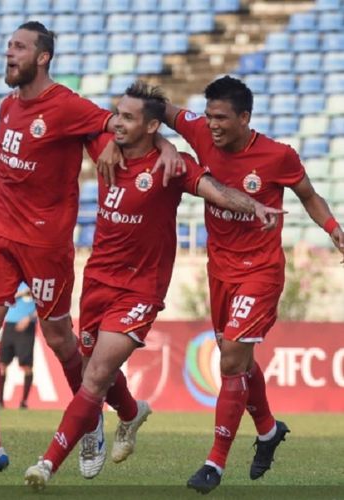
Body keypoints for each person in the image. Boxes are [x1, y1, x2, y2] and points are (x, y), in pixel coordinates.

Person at [0, 20, 185, 482]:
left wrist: (166, 144)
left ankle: (94, 418)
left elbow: (125, 132)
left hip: (44, 243)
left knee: (59, 338)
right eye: (8, 46)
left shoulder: (68, 105)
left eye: (19, 47)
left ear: (42, 57)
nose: (9, 53)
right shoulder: (7, 106)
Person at [23, 80, 285, 490]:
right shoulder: (102, 148)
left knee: (95, 375)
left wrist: (253, 205)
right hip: (97, 280)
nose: (117, 123)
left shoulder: (173, 165)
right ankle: (129, 414)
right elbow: (75, 122)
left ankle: (48, 462)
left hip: (140, 290)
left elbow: (215, 191)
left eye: (127, 118)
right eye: (117, 115)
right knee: (94, 365)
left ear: (150, 126)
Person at [161, 75, 344, 493]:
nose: (212, 125)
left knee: (229, 360)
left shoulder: (278, 156)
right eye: (208, 117)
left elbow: (309, 195)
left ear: (245, 117)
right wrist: (167, 143)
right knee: (239, 360)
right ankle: (267, 430)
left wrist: (333, 228)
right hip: (219, 271)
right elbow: (161, 111)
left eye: (222, 118)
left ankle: (215, 462)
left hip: (260, 272)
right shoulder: (201, 132)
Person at [0, 282, 37, 409]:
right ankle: (0, 400)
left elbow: (44, 307)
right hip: (9, 325)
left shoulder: (35, 282)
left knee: (26, 365)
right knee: (2, 364)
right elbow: (3, 298)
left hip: (27, 326)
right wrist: (22, 293)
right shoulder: (13, 282)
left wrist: (29, 318)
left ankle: (24, 401)